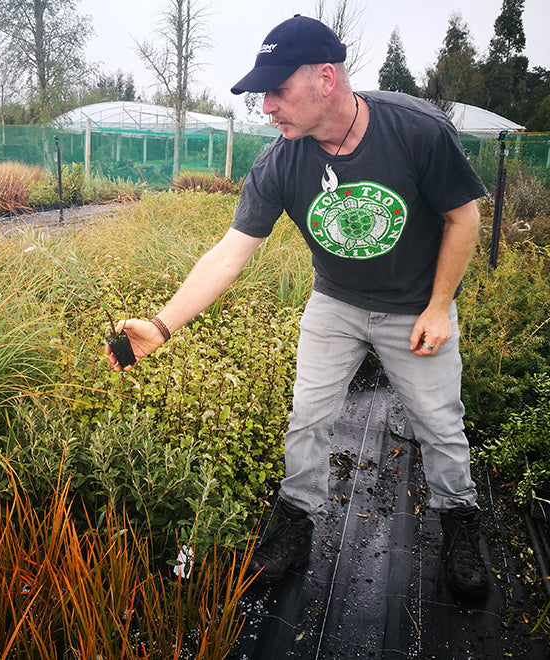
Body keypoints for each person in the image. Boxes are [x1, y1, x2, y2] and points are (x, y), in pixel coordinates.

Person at [104, 15, 489, 597]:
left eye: (277, 90)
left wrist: (440, 306)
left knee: (438, 423)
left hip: (416, 305)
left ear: (325, 79)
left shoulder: (415, 131)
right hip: (336, 302)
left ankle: (460, 521)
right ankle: (294, 521)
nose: (266, 107)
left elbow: (464, 216)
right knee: (308, 415)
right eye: (262, 94)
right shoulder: (282, 160)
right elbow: (228, 256)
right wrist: (162, 325)